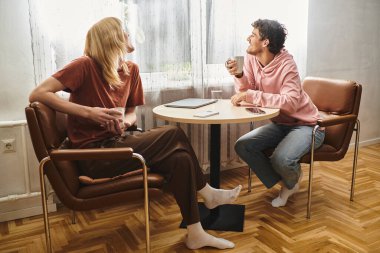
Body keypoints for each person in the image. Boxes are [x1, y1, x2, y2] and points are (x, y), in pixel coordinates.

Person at [29, 17, 242, 250]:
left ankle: (196, 233)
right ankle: (207, 192)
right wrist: (89, 113)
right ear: (113, 37)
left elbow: (131, 113)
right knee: (174, 134)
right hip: (94, 156)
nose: (130, 35)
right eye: (125, 31)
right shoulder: (84, 65)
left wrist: (122, 122)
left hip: (117, 142)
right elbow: (38, 94)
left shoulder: (131, 70)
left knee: (180, 159)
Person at [225, 19, 325, 207]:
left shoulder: (287, 64)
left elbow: (290, 103)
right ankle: (288, 181)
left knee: (282, 159)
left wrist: (250, 94)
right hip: (281, 125)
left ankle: (289, 177)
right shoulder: (252, 59)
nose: (248, 38)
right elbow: (247, 92)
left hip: (307, 126)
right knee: (243, 146)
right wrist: (239, 76)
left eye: (253, 35)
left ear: (265, 42)